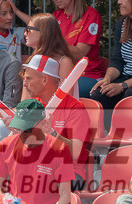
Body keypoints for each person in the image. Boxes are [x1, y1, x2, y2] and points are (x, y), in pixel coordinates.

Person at [0, 99, 72, 204]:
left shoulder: (59, 148)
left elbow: (66, 197)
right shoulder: (6, 144)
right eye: (18, 127)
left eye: (27, 129)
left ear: (42, 123)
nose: (22, 133)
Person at [20, 53, 94, 190]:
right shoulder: (31, 105)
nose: (24, 84)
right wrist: (13, 131)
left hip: (69, 172)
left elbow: (76, 153)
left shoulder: (74, 108)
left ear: (44, 80)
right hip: (36, 168)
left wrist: (52, 133)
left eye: (28, 78)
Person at [22, 13, 77, 85]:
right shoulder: (32, 59)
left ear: (42, 33)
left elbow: (66, 95)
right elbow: (26, 95)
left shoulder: (64, 62)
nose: (25, 33)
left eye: (28, 30)